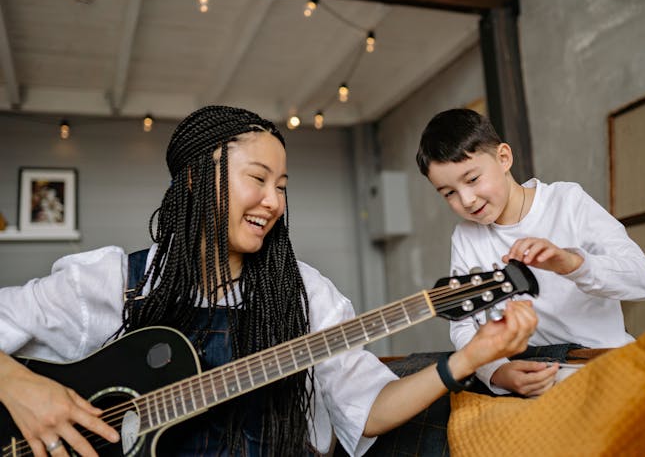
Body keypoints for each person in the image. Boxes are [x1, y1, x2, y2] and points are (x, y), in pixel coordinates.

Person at [0, 105, 538, 457]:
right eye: (257, 179)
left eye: (281, 185)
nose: (275, 201)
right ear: (194, 180)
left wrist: (466, 361)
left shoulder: (305, 294)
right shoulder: (115, 281)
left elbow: (369, 412)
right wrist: (21, 387)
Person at [415, 108, 645, 397]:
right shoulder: (465, 237)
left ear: (503, 158)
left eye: (472, 180)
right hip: (536, 379)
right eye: (448, 193)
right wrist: (496, 372)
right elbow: (463, 325)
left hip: (603, 364)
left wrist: (573, 263)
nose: (466, 200)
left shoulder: (568, 202)